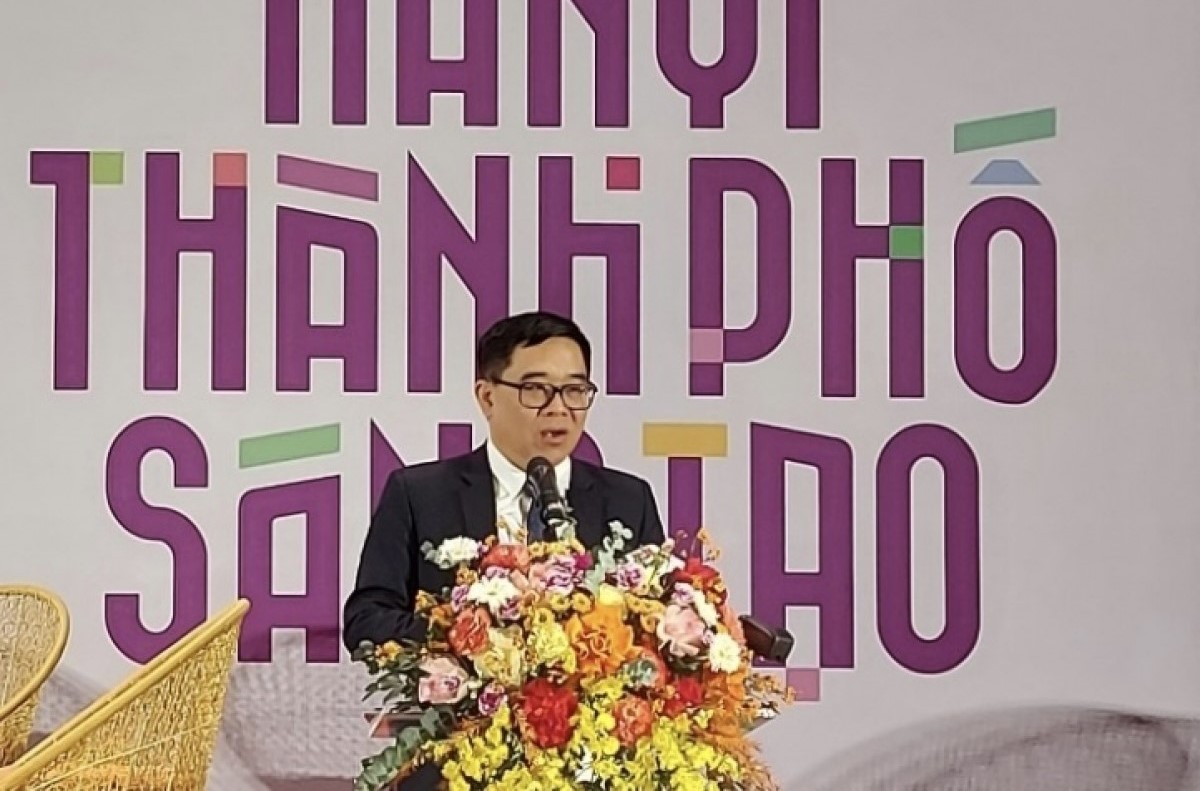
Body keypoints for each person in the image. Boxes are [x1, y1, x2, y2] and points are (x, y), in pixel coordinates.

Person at [343, 310, 666, 652]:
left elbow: (659, 620)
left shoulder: (628, 501)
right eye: (536, 389)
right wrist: (473, 637)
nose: (558, 408)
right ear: (487, 397)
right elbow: (367, 621)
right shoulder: (420, 495)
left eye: (574, 390)